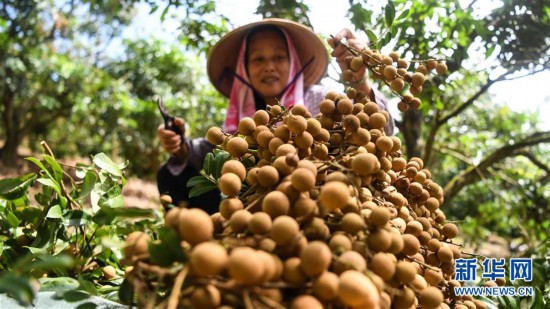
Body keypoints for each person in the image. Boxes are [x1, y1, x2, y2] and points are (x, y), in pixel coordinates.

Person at [157, 18, 393, 214]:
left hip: (322, 198)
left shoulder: (322, 99)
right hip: (261, 209)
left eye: (279, 57)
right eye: (258, 59)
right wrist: (179, 146)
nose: (269, 66)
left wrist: (359, 80)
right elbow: (207, 150)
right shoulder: (242, 117)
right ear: (245, 69)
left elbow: (382, 132)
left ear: (292, 63)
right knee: (170, 174)